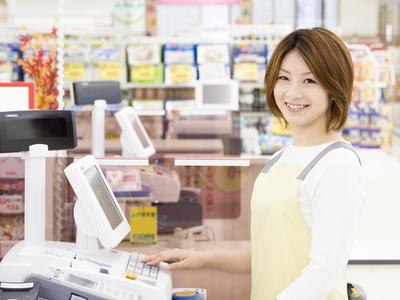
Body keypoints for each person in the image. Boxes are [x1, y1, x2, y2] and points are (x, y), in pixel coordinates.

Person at [143, 27, 366, 300]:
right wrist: (201, 259)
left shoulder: (338, 167)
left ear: (334, 88)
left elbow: (323, 274)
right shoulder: (279, 158)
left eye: (309, 81)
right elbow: (268, 254)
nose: (292, 93)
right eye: (284, 78)